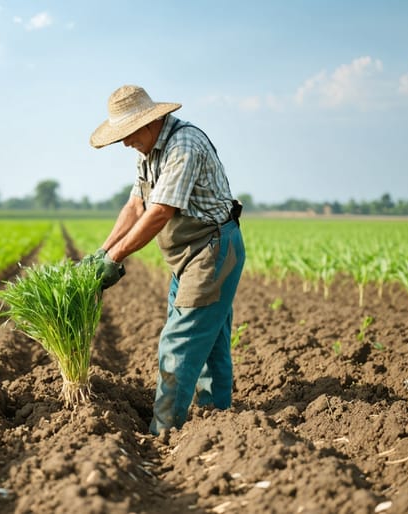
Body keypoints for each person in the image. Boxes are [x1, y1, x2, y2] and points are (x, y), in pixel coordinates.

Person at [85, 84, 245, 435]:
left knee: (179, 342)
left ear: (147, 123)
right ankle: (216, 418)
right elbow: (135, 206)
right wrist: (101, 253)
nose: (125, 143)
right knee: (211, 340)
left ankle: (163, 429)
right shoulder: (148, 153)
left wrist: (115, 257)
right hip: (187, 258)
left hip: (211, 251)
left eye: (127, 135)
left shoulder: (183, 145)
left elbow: (159, 212)